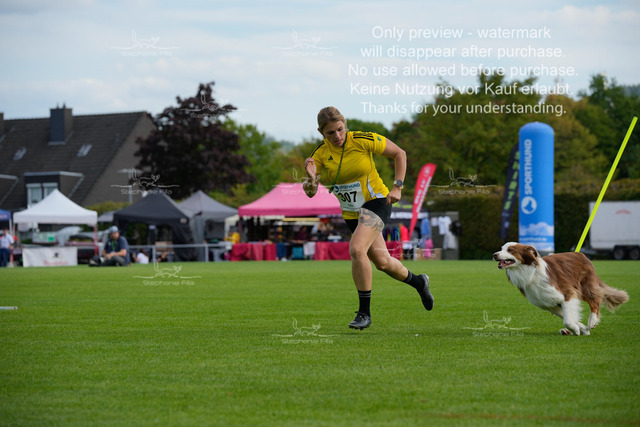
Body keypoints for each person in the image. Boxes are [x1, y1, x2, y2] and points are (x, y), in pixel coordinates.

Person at [303, 106, 433, 330]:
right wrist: (310, 179)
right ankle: (419, 282)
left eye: (340, 129)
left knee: (356, 249)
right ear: (321, 132)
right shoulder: (319, 154)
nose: (337, 136)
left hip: (377, 201)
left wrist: (398, 186)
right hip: (351, 212)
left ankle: (364, 313)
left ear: (345, 125)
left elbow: (399, 153)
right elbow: (310, 193)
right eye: (330, 133)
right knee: (383, 262)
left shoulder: (362, 140)